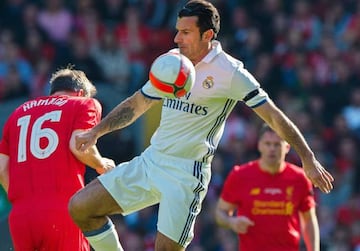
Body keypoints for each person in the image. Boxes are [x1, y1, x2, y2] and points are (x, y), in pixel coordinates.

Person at [68, 1, 334, 250]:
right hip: (152, 160)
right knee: (81, 207)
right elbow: (136, 104)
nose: (176, 39)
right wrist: (96, 132)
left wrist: (307, 158)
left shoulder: (230, 72)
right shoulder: (172, 61)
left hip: (186, 174)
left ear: (207, 35)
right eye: (177, 31)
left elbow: (274, 117)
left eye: (185, 32)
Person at [0, 66, 115, 251]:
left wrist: (25, 199)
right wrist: (102, 165)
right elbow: (79, 146)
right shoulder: (85, 104)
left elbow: (1, 168)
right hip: (62, 211)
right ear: (80, 93)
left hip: (21, 216)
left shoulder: (17, 114)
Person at [215, 123, 320, 251]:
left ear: (287, 147)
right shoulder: (240, 176)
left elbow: (309, 220)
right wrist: (231, 223)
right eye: (267, 143)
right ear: (259, 145)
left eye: (277, 144)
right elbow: (220, 213)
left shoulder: (299, 178)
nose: (272, 149)